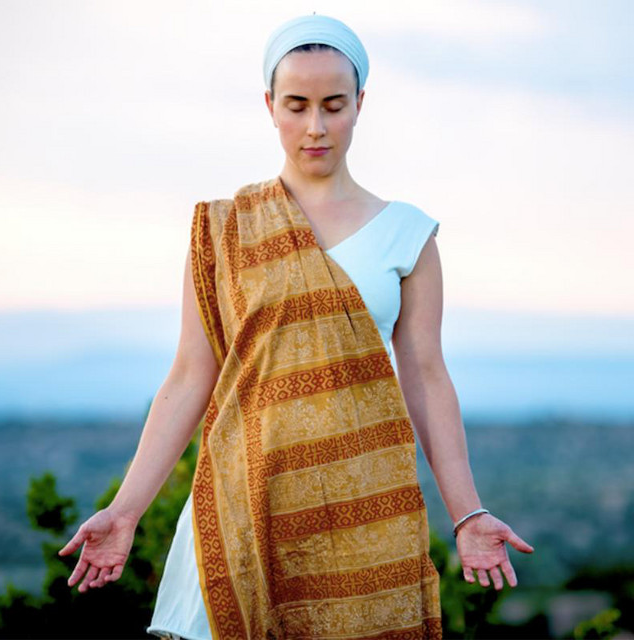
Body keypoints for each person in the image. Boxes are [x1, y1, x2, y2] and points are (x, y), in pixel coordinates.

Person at [58, 13, 534, 640]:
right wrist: (125, 511)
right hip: (244, 504)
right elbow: (190, 375)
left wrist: (467, 512)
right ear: (270, 105)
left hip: (363, 514)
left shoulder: (407, 234)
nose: (316, 127)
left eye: (334, 106)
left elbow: (425, 374)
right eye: (297, 105)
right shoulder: (226, 229)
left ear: (360, 104)